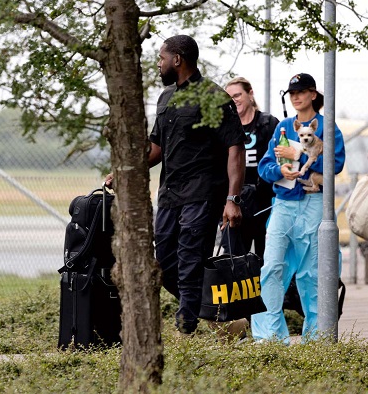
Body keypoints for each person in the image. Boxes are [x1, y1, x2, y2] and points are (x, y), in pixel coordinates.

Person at [107, 35, 247, 337]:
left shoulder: (214, 97)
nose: (158, 64)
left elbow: (235, 149)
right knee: (164, 263)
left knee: (189, 263)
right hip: (170, 195)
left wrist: (232, 199)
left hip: (203, 194)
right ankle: (222, 318)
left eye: (161, 58)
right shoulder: (165, 98)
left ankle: (186, 332)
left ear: (178, 59)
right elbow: (155, 149)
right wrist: (123, 173)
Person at [251, 73, 345, 343]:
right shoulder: (282, 127)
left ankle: (317, 340)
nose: (296, 97)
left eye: (301, 91)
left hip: (314, 203)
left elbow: (335, 164)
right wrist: (278, 169)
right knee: (271, 267)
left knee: (311, 273)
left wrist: (301, 155)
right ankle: (270, 338)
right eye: (292, 93)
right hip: (283, 204)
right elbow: (265, 166)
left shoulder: (328, 127)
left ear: (313, 94)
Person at [224, 77, 279, 258]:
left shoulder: (269, 124)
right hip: (236, 201)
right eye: (229, 97)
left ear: (250, 94)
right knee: (235, 259)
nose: (234, 100)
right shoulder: (225, 128)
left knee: (269, 258)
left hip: (265, 202)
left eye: (238, 95)